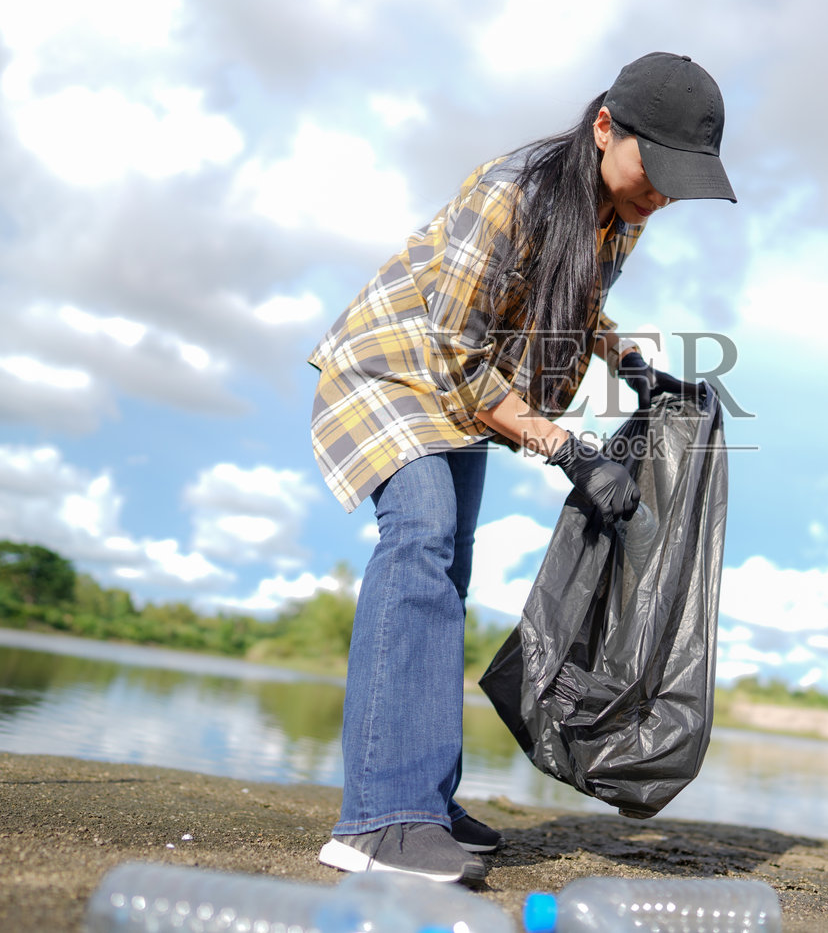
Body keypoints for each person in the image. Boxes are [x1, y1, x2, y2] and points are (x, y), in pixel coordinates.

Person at [307, 52, 736, 883]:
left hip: (461, 384)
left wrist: (632, 364)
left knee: (449, 571)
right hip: (395, 367)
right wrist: (570, 452)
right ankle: (378, 818)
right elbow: (460, 358)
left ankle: (422, 800)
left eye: (681, 180)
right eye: (660, 169)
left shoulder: (622, 209)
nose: (664, 194)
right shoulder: (511, 193)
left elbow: (572, 299)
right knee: (421, 539)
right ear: (606, 126)